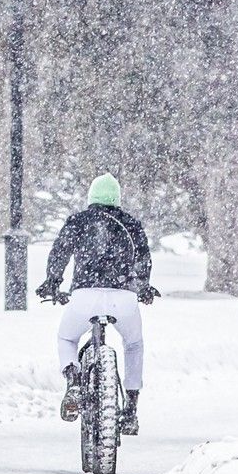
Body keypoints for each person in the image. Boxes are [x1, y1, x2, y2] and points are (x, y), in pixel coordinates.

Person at [35, 172, 158, 435]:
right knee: (134, 345)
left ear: (91, 197)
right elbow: (143, 259)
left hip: (85, 296)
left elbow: (60, 251)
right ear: (117, 199)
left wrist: (52, 282)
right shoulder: (131, 224)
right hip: (122, 298)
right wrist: (143, 286)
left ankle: (73, 381)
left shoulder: (79, 221)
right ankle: (131, 410)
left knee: (67, 338)